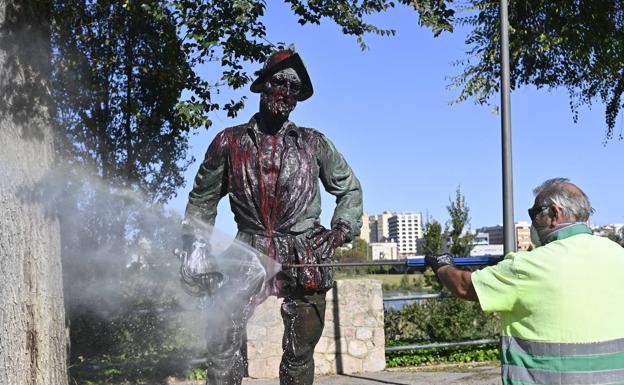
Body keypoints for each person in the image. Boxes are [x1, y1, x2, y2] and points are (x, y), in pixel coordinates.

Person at [182, 49, 363, 385]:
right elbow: (202, 200)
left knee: (299, 353)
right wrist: (196, 245)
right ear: (263, 86)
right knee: (221, 344)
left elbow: (350, 190)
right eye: (278, 82)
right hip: (247, 248)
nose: (284, 91)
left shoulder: (314, 143)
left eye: (293, 88)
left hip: (302, 252)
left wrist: (340, 230)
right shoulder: (228, 141)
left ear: (297, 99)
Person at [426, 178, 624, 385]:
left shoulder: (528, 266)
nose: (532, 222)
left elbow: (464, 285)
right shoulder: (618, 254)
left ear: (555, 213)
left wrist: (442, 266)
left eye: (534, 212)